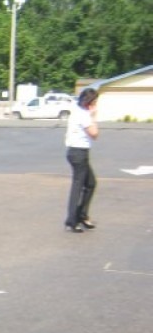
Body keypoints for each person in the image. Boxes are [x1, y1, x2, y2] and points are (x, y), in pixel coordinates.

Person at [64, 87, 99, 232]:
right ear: (89, 102)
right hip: (79, 153)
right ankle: (72, 220)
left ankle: (82, 215)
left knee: (90, 183)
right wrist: (94, 116)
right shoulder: (84, 115)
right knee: (78, 187)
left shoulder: (76, 111)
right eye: (95, 101)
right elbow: (95, 134)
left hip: (75, 152)